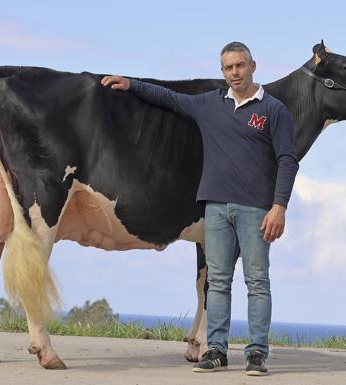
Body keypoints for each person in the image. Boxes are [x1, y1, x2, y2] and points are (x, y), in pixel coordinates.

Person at [101, 42, 298, 376]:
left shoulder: (273, 110)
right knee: (217, 282)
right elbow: (168, 97)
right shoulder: (209, 105)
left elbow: (287, 159)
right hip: (216, 208)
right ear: (222, 72)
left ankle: (256, 355)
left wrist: (279, 207)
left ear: (253, 66)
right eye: (227, 68)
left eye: (240, 65)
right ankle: (216, 351)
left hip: (256, 210)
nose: (234, 73)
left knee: (257, 282)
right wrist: (131, 84)